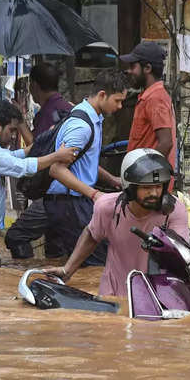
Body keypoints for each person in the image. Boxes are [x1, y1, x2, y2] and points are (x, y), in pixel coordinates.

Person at [0, 100, 78, 270]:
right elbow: (22, 168)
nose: (12, 136)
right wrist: (57, 156)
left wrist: (38, 145)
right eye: (11, 130)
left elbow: (9, 157)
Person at [44, 148, 188, 296]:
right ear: (130, 187)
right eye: (146, 188)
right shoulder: (108, 207)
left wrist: (162, 247)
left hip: (158, 294)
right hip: (114, 293)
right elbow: (92, 234)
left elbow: (181, 256)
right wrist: (67, 270)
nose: (153, 193)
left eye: (158, 187)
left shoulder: (173, 211)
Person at [43, 69, 129, 266]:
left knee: (85, 264)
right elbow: (56, 170)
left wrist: (111, 179)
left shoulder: (93, 119)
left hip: (73, 201)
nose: (120, 106)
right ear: (101, 95)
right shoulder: (82, 126)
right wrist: (94, 194)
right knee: (95, 265)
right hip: (69, 204)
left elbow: (84, 163)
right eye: (117, 100)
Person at [5, 63, 73, 259]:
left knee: (15, 236)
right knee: (55, 248)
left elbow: (37, 148)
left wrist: (19, 122)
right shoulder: (66, 107)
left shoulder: (51, 112)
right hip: (64, 191)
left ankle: (25, 275)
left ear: (34, 86)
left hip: (54, 191)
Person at [121, 41, 177, 186]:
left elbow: (166, 142)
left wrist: (144, 175)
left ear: (147, 68)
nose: (129, 71)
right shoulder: (150, 97)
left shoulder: (155, 98)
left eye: (133, 66)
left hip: (147, 186)